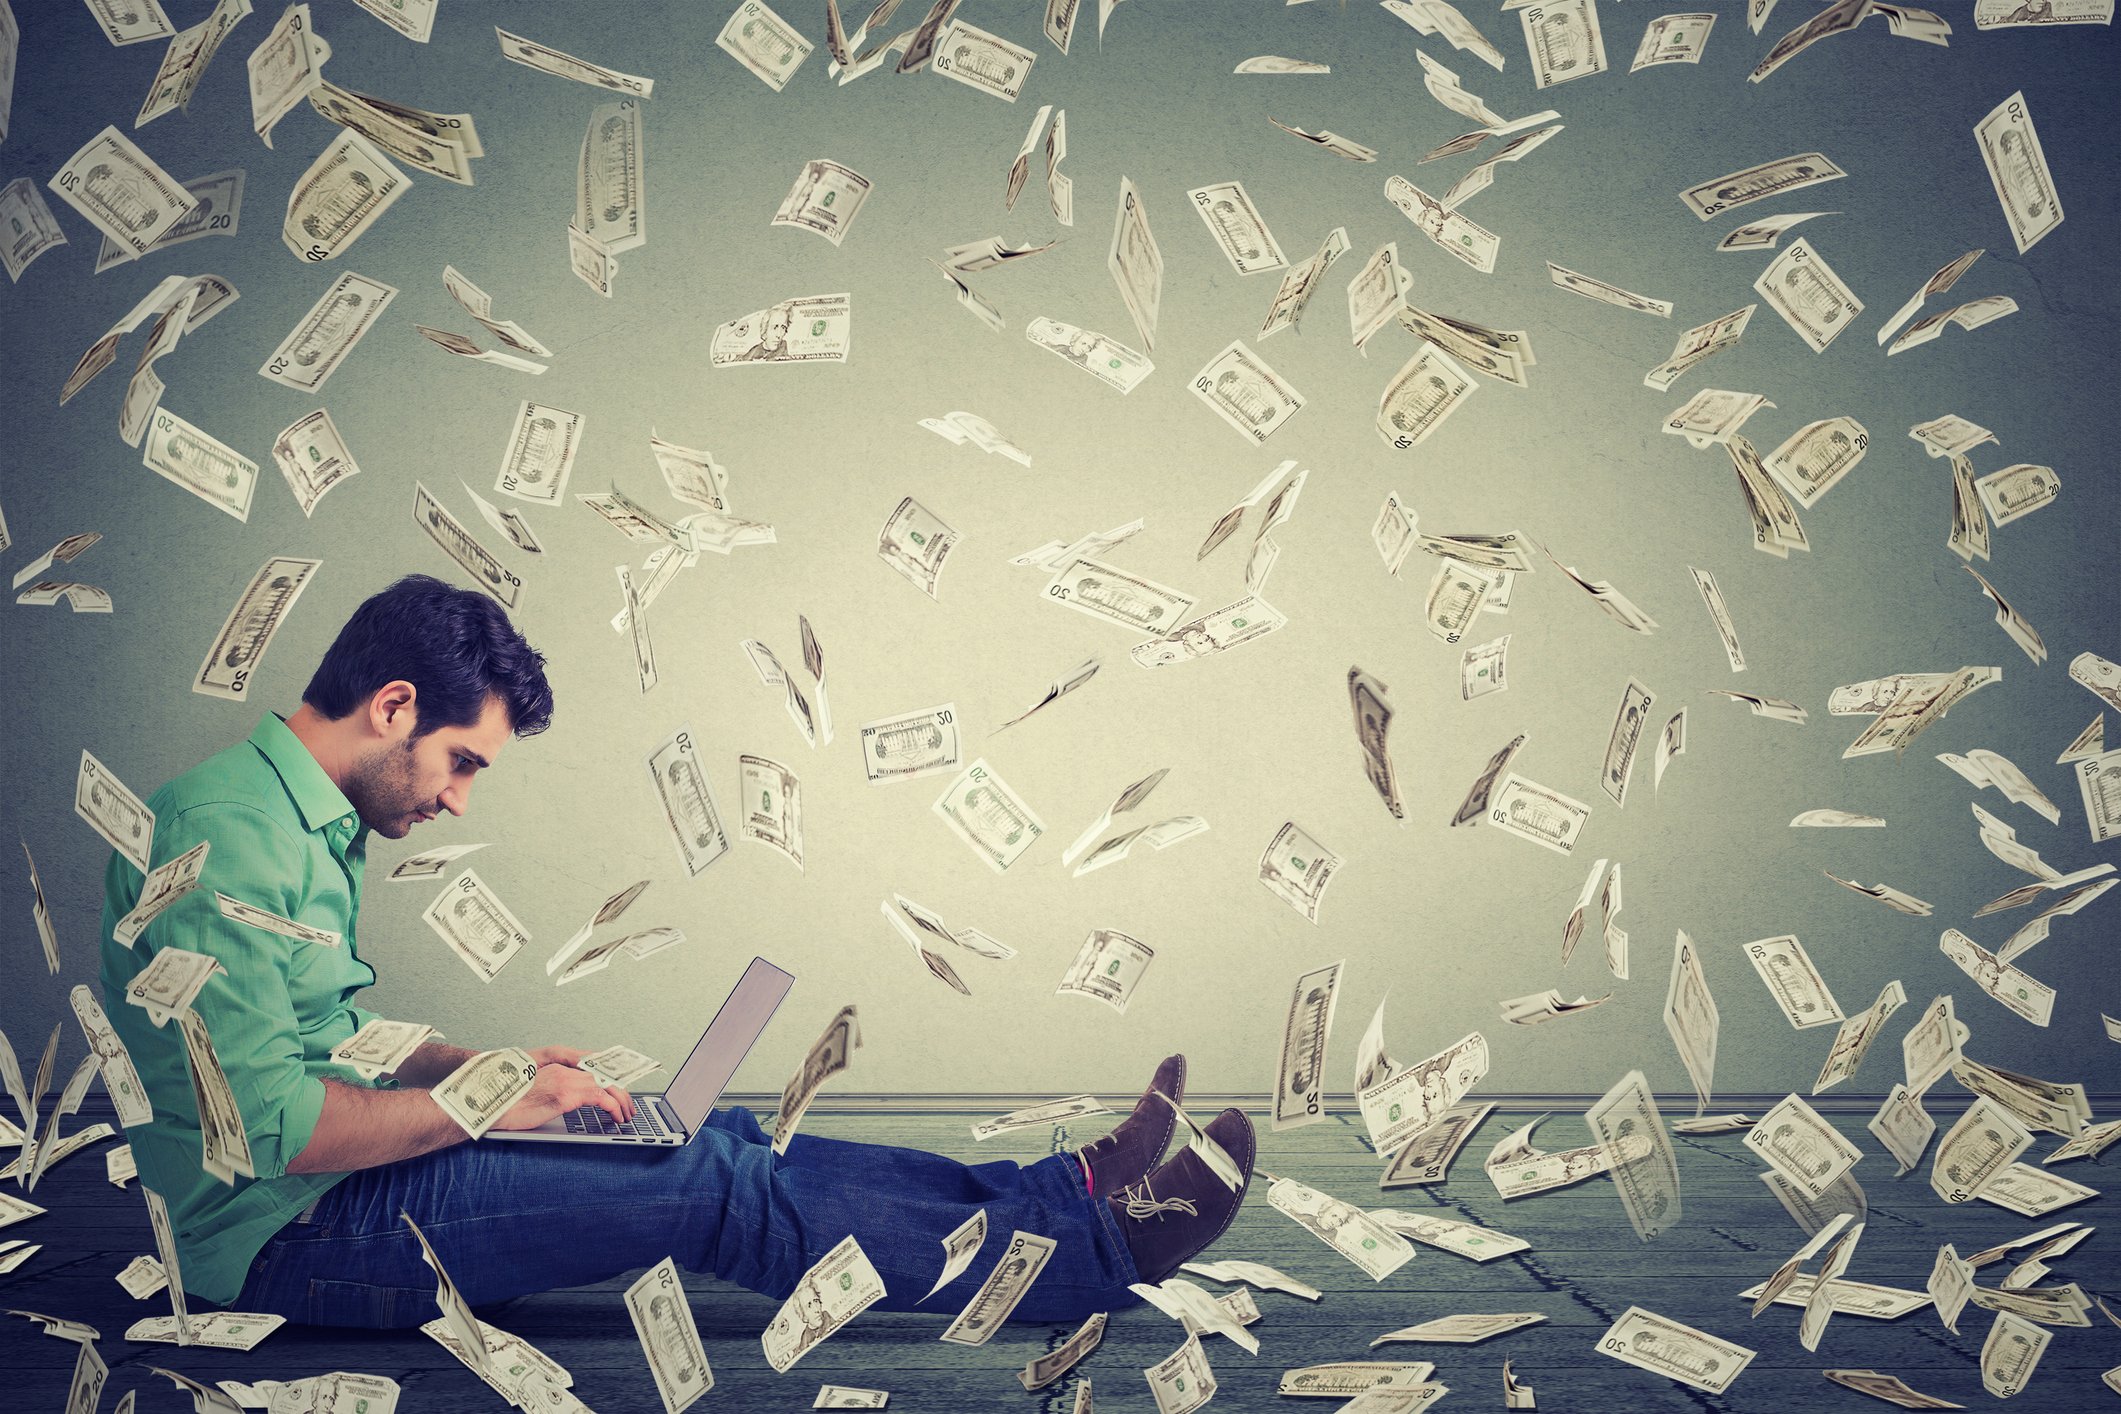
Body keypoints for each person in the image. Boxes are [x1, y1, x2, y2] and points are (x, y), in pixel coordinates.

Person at [98, 574, 1256, 1329]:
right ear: (394, 705)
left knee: (712, 1129)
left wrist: (498, 1064)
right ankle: (1102, 1252)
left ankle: (1069, 1189)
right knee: (700, 1187)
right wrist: (491, 1104)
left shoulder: (296, 818)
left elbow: (330, 1042)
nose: (457, 800)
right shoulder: (224, 844)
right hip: (284, 1250)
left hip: (344, 1186)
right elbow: (273, 1130)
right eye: (463, 761)